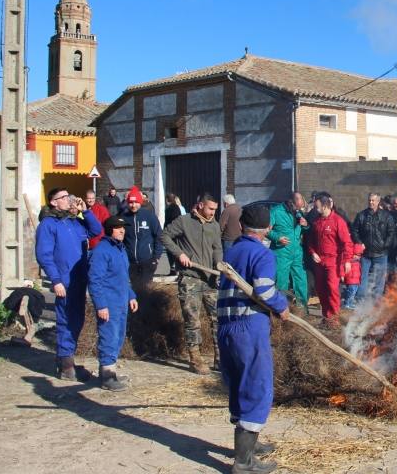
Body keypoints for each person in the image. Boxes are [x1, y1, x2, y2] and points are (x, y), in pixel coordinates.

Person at [218, 204, 290, 474]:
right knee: (257, 387)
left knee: (239, 385)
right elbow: (264, 290)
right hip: (249, 327)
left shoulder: (233, 250)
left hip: (226, 326)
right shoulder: (262, 253)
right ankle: (243, 463)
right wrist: (281, 306)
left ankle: (249, 446)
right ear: (267, 229)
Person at [35, 187, 102, 380]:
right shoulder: (48, 224)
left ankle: (67, 359)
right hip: (64, 280)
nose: (68, 199)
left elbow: (96, 230)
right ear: (54, 202)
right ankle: (65, 365)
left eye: (68, 196)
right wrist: (55, 280)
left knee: (77, 319)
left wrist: (85, 211)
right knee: (66, 320)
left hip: (79, 278)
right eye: (64, 197)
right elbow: (44, 255)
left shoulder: (73, 221)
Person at [162, 193, 223, 374]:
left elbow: (217, 248)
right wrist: (179, 254)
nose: (213, 212)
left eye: (215, 210)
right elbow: (165, 236)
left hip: (210, 279)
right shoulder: (184, 221)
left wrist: (219, 264)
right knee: (192, 320)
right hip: (190, 278)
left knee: (218, 319)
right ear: (200, 205)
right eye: (210, 209)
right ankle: (195, 359)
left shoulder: (215, 226)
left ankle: (220, 358)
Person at [87, 216, 139, 391]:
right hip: (109, 302)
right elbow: (95, 280)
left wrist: (131, 295)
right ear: (110, 230)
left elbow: (124, 277)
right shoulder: (102, 250)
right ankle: (107, 376)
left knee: (118, 336)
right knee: (109, 336)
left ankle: (111, 371)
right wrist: (101, 305)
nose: (122, 230)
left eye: (123, 227)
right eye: (118, 228)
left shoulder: (121, 249)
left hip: (121, 300)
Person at [306, 195, 353, 328]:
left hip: (333, 261)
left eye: (317, 206)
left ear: (325, 206)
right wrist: (313, 253)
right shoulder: (316, 222)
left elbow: (347, 243)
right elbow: (310, 242)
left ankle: (334, 319)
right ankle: (326, 316)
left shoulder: (338, 221)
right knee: (321, 290)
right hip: (319, 262)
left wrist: (347, 260)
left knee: (332, 289)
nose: (315, 208)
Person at [267, 192, 310, 313]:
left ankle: (302, 310)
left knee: (301, 280)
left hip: (297, 253)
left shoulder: (298, 213)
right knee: (281, 282)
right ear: (291, 202)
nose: (298, 209)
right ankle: (281, 310)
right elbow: (266, 230)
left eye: (300, 208)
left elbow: (305, 229)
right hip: (281, 253)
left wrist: (306, 225)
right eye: (297, 206)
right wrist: (277, 237)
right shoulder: (275, 211)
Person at [351, 192, 397, 303]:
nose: (371, 202)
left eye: (373, 200)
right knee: (363, 277)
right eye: (369, 200)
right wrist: (359, 242)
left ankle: (376, 300)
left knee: (380, 278)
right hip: (365, 253)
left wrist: (385, 245)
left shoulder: (386, 216)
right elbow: (354, 230)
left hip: (381, 253)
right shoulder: (361, 215)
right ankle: (361, 300)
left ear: (378, 201)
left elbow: (391, 232)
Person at [122, 186, 164, 293]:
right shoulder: (123, 217)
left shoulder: (149, 216)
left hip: (147, 261)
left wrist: (156, 257)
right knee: (134, 289)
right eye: (131, 203)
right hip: (131, 262)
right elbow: (120, 238)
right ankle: (136, 309)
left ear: (140, 202)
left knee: (145, 290)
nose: (133, 205)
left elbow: (159, 236)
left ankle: (147, 309)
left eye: (136, 202)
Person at [341, 243, 365, 309]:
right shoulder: (347, 261)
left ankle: (350, 303)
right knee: (350, 292)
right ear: (352, 254)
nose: (359, 256)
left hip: (356, 281)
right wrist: (342, 276)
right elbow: (342, 268)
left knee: (353, 293)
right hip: (350, 280)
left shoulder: (357, 262)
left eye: (360, 255)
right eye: (357, 255)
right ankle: (347, 303)